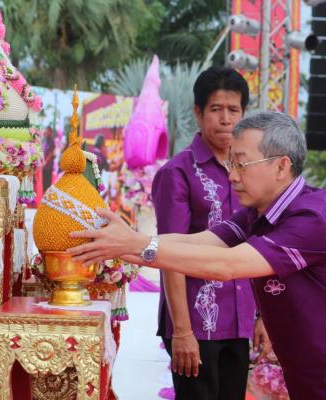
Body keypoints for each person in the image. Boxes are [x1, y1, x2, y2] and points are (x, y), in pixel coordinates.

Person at [68, 111, 326, 400]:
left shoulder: (312, 218)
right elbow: (199, 244)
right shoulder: (257, 214)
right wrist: (123, 244)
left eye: (241, 164)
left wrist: (135, 244)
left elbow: (228, 265)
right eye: (231, 164)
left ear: (281, 166)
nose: (232, 175)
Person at [151, 66, 262, 400]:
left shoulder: (253, 172)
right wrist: (182, 332)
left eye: (233, 110)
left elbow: (261, 246)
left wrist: (262, 317)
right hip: (195, 324)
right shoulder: (177, 173)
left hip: (240, 321)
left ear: (244, 114)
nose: (226, 120)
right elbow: (168, 255)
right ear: (198, 113)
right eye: (216, 109)